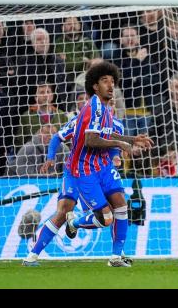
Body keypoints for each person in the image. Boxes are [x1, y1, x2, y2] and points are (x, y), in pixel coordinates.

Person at [22, 98, 131, 267]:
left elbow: (113, 149)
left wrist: (115, 157)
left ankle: (117, 253)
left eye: (112, 104)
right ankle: (31, 256)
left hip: (102, 171)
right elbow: (57, 138)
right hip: (76, 172)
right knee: (64, 210)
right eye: (108, 104)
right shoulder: (79, 122)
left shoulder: (117, 125)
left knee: (117, 205)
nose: (110, 107)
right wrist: (50, 158)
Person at [64, 62, 152, 267]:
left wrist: (131, 139)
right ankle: (75, 221)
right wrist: (120, 143)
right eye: (105, 81)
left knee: (121, 204)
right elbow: (91, 140)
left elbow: (105, 134)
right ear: (95, 86)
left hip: (101, 167)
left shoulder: (104, 109)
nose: (111, 85)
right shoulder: (94, 107)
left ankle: (116, 256)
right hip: (84, 169)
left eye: (112, 81)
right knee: (107, 217)